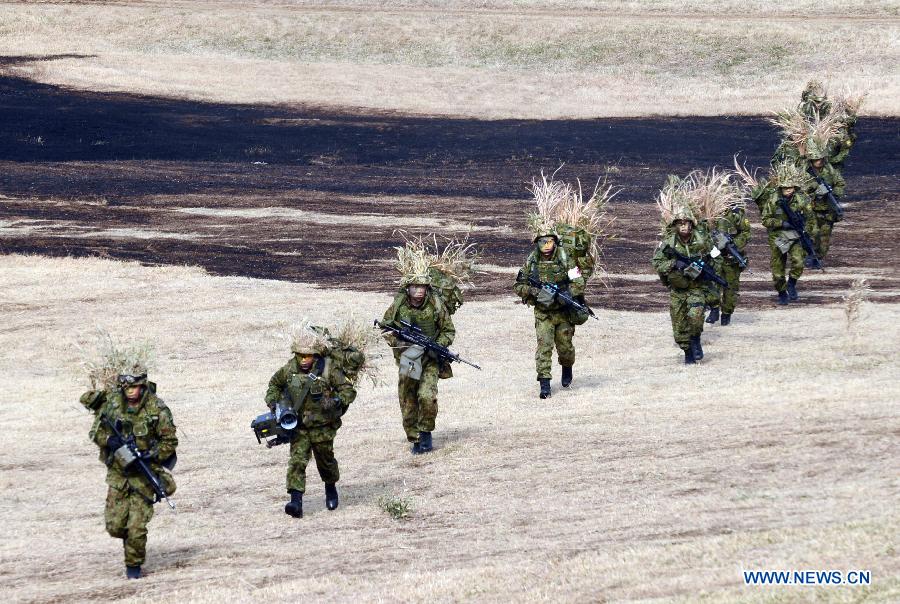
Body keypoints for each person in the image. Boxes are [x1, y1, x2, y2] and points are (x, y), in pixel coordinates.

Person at [86, 371, 177, 579]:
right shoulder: (113, 405)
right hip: (118, 476)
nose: (130, 392)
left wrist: (149, 456)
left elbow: (170, 443)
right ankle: (130, 545)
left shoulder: (157, 409)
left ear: (142, 386)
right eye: (126, 388)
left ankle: (133, 568)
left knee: (136, 528)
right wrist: (110, 441)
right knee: (115, 527)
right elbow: (95, 432)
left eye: (134, 387)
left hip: (144, 477)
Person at [265, 326, 357, 518]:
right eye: (300, 356)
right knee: (297, 462)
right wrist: (273, 402)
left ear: (315, 355)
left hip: (323, 426)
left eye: (308, 356)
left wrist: (336, 401)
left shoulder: (329, 369)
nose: (304, 360)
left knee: (326, 461)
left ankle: (330, 487)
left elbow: (348, 390)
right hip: (299, 427)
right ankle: (295, 501)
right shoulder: (288, 369)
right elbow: (274, 385)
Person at [382, 266, 455, 454]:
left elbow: (448, 331)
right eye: (415, 286)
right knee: (408, 398)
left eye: (423, 286)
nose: (420, 290)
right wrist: (403, 344)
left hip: (430, 359)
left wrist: (437, 346)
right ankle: (414, 438)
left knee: (427, 397)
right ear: (408, 288)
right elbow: (386, 329)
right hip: (409, 359)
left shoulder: (435, 304)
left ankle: (426, 433)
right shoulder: (399, 305)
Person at [514, 225, 586, 397]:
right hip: (543, 313)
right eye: (542, 241)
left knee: (565, 347)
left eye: (550, 241)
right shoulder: (531, 261)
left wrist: (566, 295)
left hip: (563, 312)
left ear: (555, 241)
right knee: (544, 347)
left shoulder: (565, 257)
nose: (546, 245)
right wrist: (536, 292)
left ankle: (567, 367)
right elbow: (518, 286)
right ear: (536, 243)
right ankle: (544, 383)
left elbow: (579, 281)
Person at [652, 205, 718, 364]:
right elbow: (656, 263)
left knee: (695, 319)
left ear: (691, 224)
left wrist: (707, 268)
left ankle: (695, 339)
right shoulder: (668, 243)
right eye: (680, 223)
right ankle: (688, 353)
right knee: (679, 327)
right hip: (677, 290)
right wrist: (674, 263)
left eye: (686, 223)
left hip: (697, 288)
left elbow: (716, 254)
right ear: (675, 225)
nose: (683, 226)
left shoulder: (702, 240)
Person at [760, 161, 818, 304]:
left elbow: (811, 219)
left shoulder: (801, 199)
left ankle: (792, 283)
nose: (788, 191)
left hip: (796, 235)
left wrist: (808, 232)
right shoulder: (773, 200)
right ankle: (781, 292)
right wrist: (781, 223)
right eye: (785, 188)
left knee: (798, 262)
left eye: (790, 188)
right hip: (778, 236)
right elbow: (765, 220)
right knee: (778, 270)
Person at [705, 205, 751, 326]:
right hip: (713, 257)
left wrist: (734, 244)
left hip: (731, 258)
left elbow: (746, 232)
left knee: (731, 288)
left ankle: (726, 314)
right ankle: (714, 308)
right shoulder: (707, 210)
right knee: (711, 285)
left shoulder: (735, 213)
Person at [803, 138, 845, 262]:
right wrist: (815, 192)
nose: (819, 162)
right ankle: (810, 256)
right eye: (816, 159)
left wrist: (834, 193)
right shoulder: (806, 173)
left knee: (825, 237)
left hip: (827, 210)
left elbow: (840, 183)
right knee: (812, 233)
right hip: (812, 209)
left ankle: (819, 257)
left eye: (821, 159)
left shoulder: (830, 170)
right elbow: (800, 190)